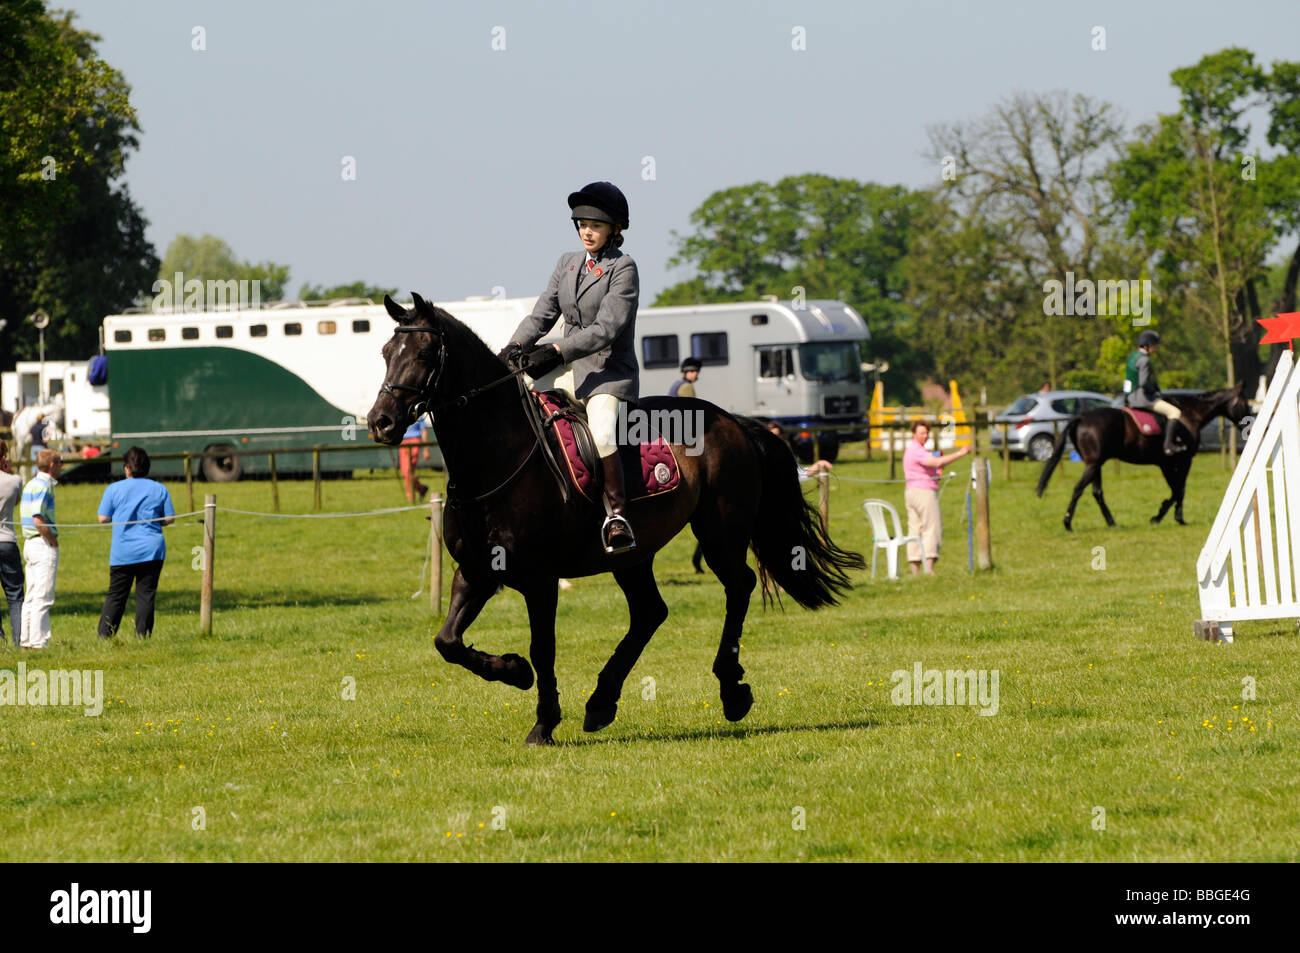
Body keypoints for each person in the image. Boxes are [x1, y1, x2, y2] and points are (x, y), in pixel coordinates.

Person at [498, 180, 640, 554]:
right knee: (515, 401)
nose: (586, 231)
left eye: (594, 225)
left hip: (608, 371)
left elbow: (607, 328)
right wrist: (514, 346)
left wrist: (559, 350)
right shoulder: (567, 263)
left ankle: (616, 516)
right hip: (567, 365)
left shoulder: (623, 269)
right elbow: (543, 313)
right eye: (581, 224)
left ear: (614, 229)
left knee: (604, 430)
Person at [96, 446, 175, 639]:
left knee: (116, 595)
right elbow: (170, 518)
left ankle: (105, 635)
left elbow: (103, 518)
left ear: (127, 468)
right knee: (146, 594)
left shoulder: (113, 489)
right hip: (152, 549)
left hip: (123, 551)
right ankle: (142, 636)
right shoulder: (159, 489)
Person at [903, 420, 972, 576]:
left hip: (912, 492)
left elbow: (933, 464)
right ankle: (929, 569)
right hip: (923, 492)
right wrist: (960, 453)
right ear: (914, 434)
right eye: (921, 433)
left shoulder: (913, 450)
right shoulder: (917, 450)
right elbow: (936, 462)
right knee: (931, 528)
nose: (925, 436)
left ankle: (915, 570)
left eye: (926, 433)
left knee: (915, 528)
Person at [19, 449, 62, 649]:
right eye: (60, 462)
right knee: (44, 595)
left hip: (29, 543)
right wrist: (51, 539)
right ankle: (38, 640)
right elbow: (38, 517)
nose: (62, 467)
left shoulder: (31, 483)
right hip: (41, 542)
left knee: (32, 594)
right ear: (52, 465)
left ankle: (26, 638)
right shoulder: (45, 486)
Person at [1125, 330, 1187, 455]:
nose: (1156, 348)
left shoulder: (1132, 357)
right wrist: (1155, 392)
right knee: (1175, 412)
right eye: (1154, 345)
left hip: (1129, 397)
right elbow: (1143, 383)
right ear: (1147, 345)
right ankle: (1168, 445)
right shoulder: (1145, 361)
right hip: (1142, 399)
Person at [0, 446, 24, 648]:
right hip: (7, 540)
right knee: (15, 595)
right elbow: (16, 501)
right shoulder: (15, 481)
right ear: (4, 457)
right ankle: (19, 640)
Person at [399, 416, 430, 502]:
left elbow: (424, 431)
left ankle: (411, 498)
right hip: (403, 441)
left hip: (415, 440)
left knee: (409, 470)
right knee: (405, 470)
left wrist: (426, 449)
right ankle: (421, 489)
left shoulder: (419, 415)